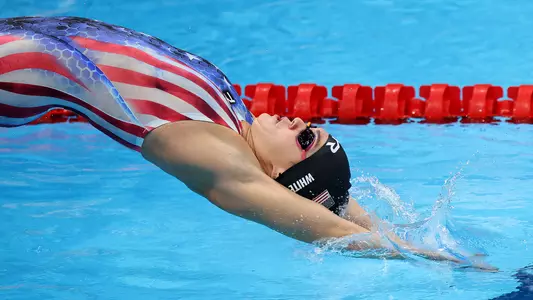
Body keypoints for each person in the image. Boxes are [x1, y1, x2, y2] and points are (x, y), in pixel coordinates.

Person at [0, 16, 496, 270]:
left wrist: (449, 265)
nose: (298, 119)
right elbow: (337, 204)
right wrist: (391, 224)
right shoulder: (235, 123)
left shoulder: (217, 156)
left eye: (304, 138)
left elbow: (325, 226)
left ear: (280, 178)